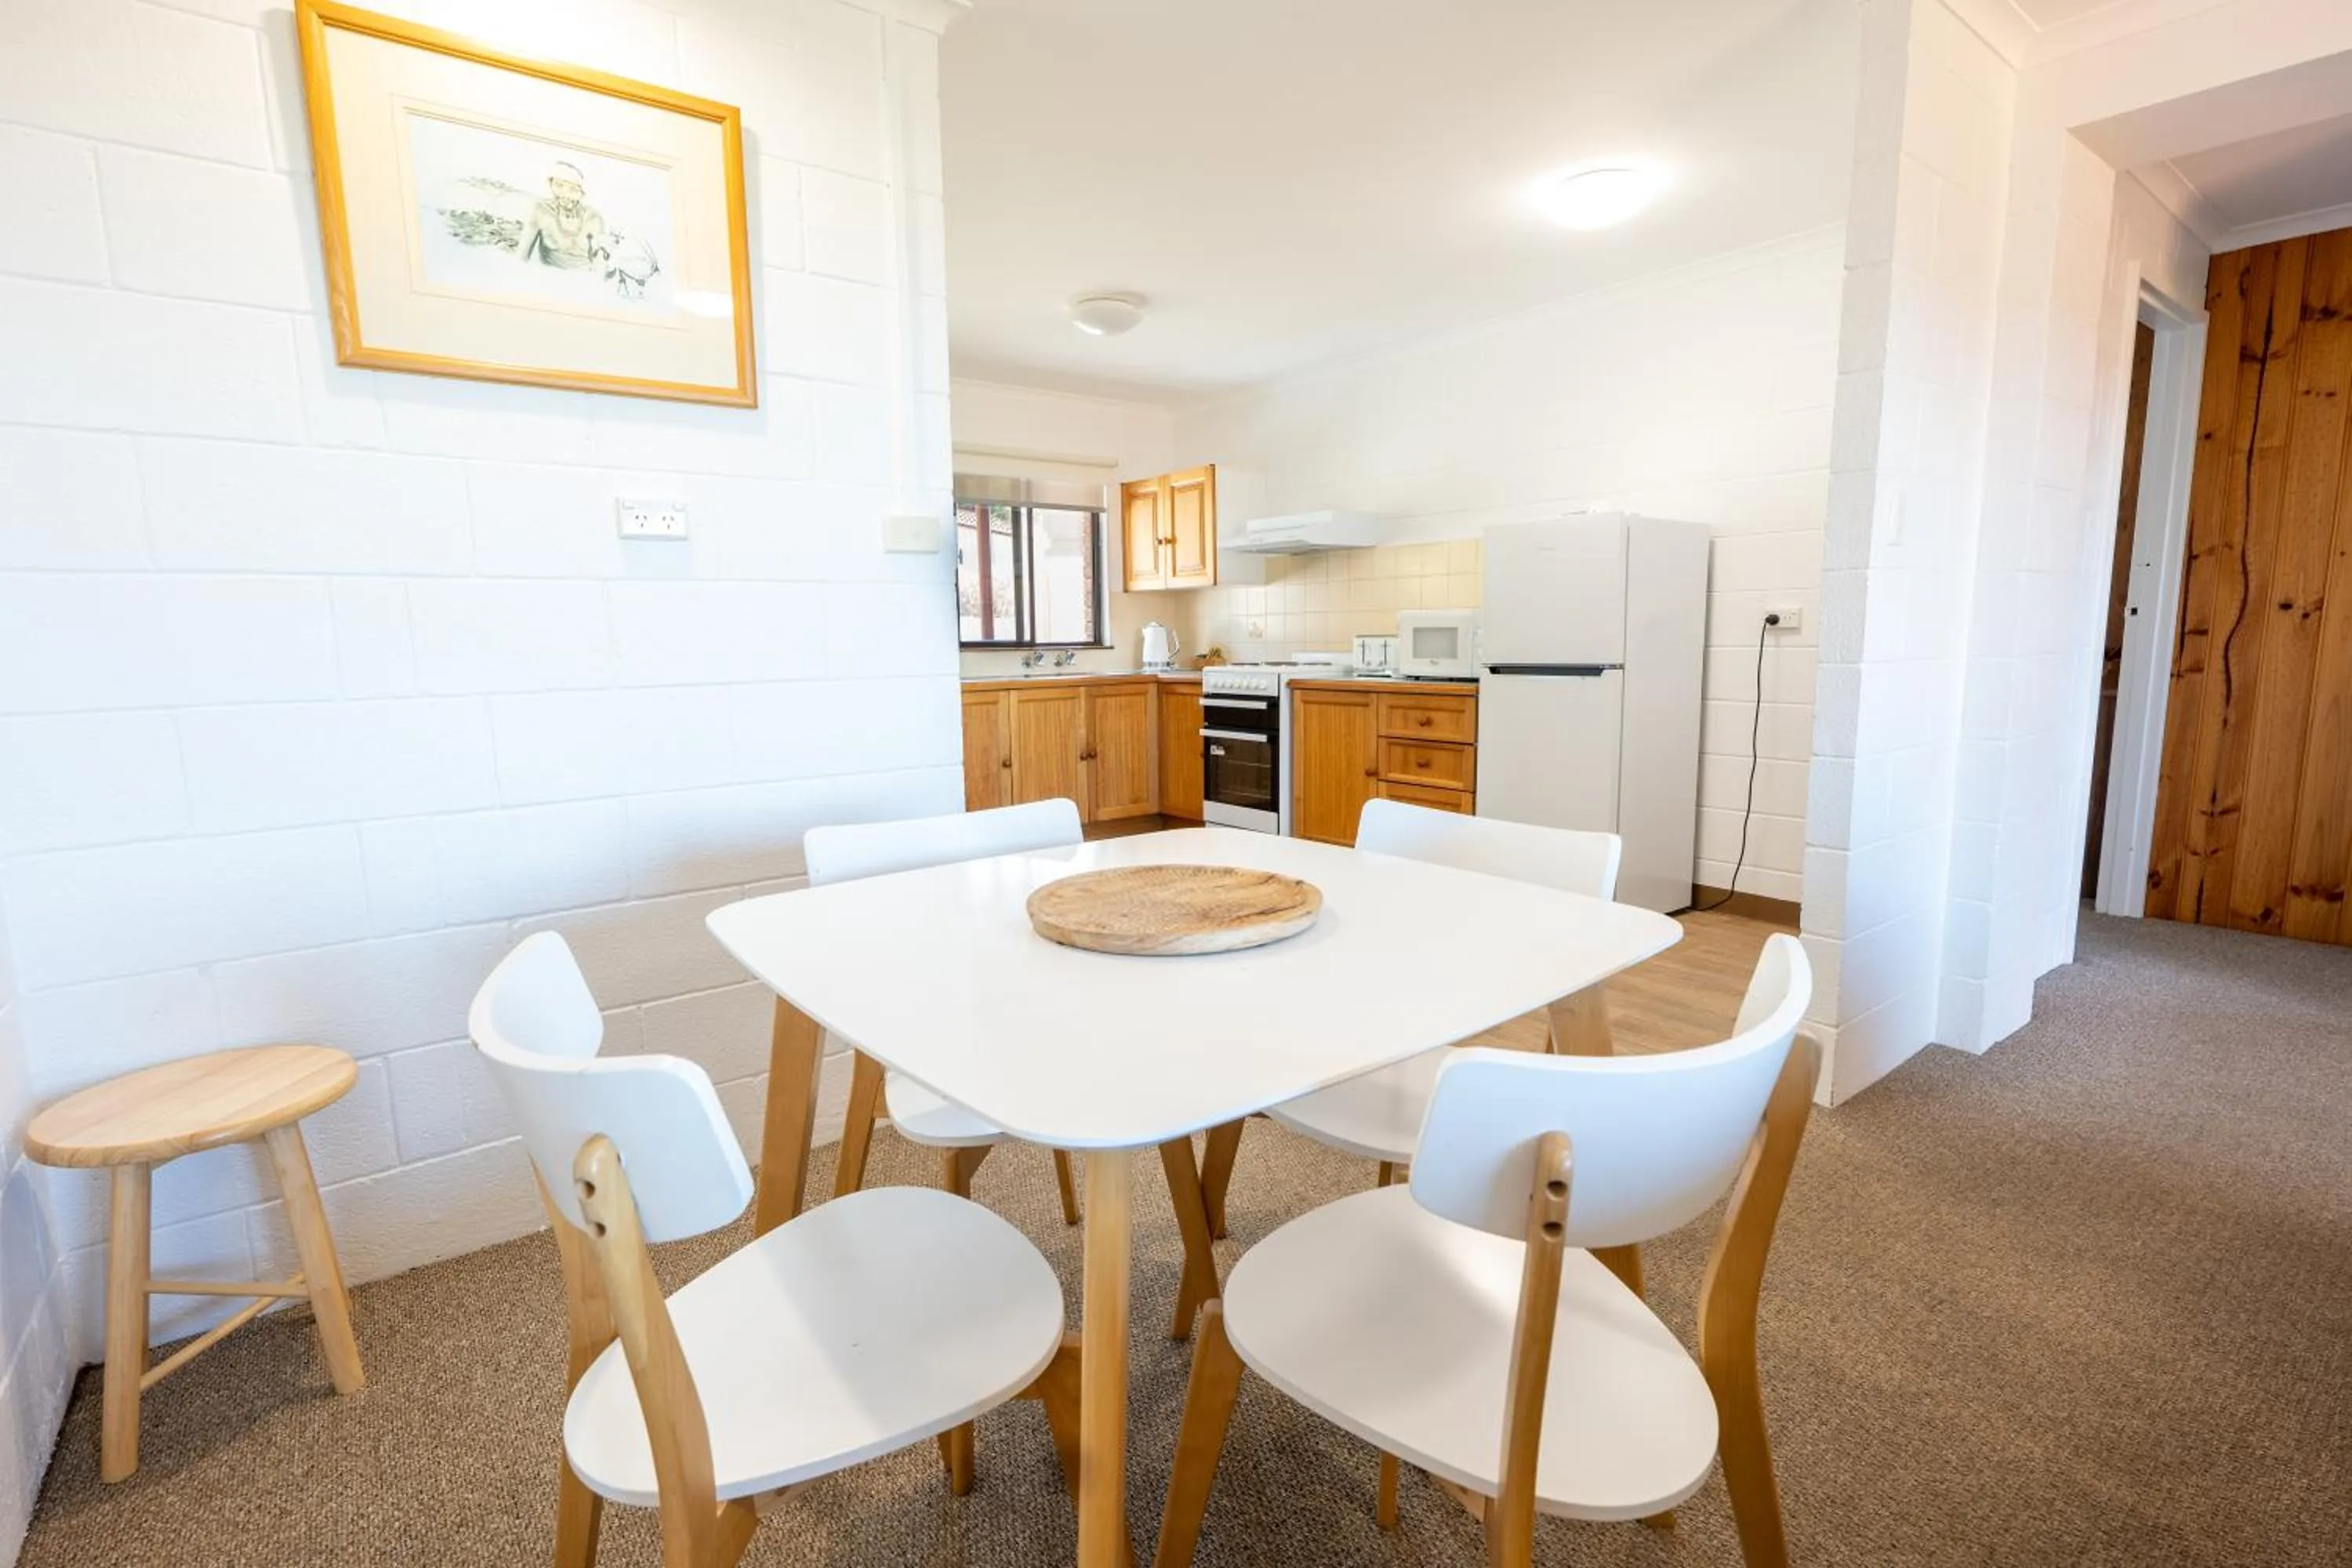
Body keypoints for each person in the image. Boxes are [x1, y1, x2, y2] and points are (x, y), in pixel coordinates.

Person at [519, 161, 608, 270]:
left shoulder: (593, 218)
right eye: (559, 186)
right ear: (551, 185)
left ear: (582, 192)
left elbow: (602, 263)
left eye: (573, 189)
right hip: (547, 278)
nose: (565, 194)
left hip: (585, 280)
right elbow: (522, 255)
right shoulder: (541, 211)